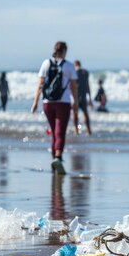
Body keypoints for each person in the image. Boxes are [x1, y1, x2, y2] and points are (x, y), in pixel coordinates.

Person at [31, 41, 79, 175]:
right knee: (60, 131)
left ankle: (54, 160)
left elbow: (40, 84)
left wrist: (35, 102)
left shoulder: (46, 63)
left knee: (53, 131)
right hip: (62, 102)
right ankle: (58, 157)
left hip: (47, 103)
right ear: (64, 51)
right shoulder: (68, 66)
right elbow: (74, 86)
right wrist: (75, 102)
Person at [73, 60, 92, 135]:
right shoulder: (85, 72)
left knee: (75, 113)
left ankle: (76, 130)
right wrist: (90, 98)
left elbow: (72, 86)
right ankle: (88, 130)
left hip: (76, 97)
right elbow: (87, 86)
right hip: (83, 97)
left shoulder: (73, 72)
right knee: (85, 113)